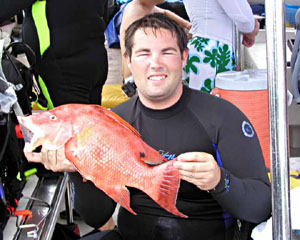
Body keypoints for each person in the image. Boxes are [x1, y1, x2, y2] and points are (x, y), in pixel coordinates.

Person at [25, 13, 271, 240]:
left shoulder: (222, 116)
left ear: (184, 57)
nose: (155, 63)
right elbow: (97, 216)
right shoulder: (113, 121)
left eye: (167, 52)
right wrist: (75, 169)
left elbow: (262, 206)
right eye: (143, 53)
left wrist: (219, 180)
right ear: (129, 60)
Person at [0, 0, 109, 107]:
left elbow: (5, 7)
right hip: (95, 56)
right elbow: (108, 10)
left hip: (62, 67)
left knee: (68, 122)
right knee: (93, 120)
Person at [183, 0, 260, 93]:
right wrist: (253, 27)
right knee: (214, 104)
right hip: (216, 51)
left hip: (200, 48)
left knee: (199, 102)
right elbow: (244, 20)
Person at [119, 0, 191, 87]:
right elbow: (128, 45)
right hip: (133, 77)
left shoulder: (148, 6)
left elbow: (165, 12)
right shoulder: (135, 9)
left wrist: (187, 25)